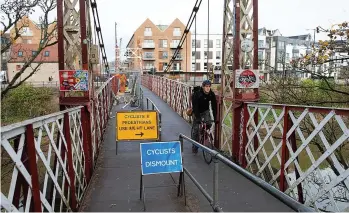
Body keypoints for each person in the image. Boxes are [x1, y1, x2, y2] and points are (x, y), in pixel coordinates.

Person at [191, 79, 217, 153]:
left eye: (209, 86)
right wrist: (198, 117)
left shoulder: (211, 94)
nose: (208, 88)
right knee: (195, 130)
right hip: (197, 111)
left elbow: (214, 106)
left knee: (209, 123)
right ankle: (194, 145)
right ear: (203, 87)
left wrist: (215, 118)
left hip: (205, 111)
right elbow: (195, 106)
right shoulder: (197, 93)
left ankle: (203, 133)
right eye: (206, 86)